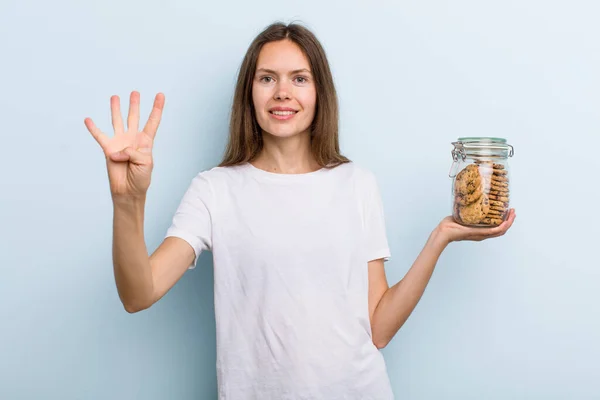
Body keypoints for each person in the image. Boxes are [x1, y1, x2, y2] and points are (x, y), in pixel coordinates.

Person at [84, 21, 515, 400]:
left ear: (319, 92)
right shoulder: (215, 189)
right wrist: (128, 202)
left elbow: (379, 327)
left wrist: (439, 236)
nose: (283, 92)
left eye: (299, 78)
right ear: (249, 93)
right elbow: (138, 295)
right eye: (267, 78)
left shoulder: (357, 184)